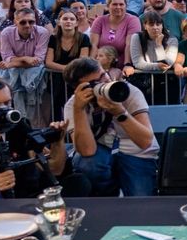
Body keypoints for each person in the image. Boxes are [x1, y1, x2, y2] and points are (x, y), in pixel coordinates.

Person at [63, 56, 160, 197]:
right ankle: (109, 193)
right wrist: (79, 110)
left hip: (137, 152)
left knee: (140, 204)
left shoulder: (128, 91)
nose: (105, 82)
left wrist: (120, 112)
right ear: (78, 88)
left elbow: (145, 141)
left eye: (103, 75)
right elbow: (87, 151)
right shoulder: (73, 105)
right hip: (103, 151)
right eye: (94, 83)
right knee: (87, 163)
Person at [0, 77, 71, 199]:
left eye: (7, 103)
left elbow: (54, 169)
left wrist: (58, 140)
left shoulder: (18, 127)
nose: (4, 110)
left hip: (24, 203)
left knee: (77, 182)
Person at [0, 9, 50, 125]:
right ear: (15, 22)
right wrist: (25, 58)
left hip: (35, 80)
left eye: (31, 22)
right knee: (12, 114)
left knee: (36, 117)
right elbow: (7, 57)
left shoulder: (42, 32)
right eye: (23, 22)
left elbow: (38, 60)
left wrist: (11, 63)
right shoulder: (6, 33)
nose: (27, 25)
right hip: (12, 80)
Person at [125, 10, 180, 105]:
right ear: (145, 26)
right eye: (151, 24)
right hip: (144, 82)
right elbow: (138, 63)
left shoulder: (172, 40)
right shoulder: (137, 37)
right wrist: (157, 66)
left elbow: (167, 64)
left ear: (162, 25)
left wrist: (159, 45)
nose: (155, 27)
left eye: (158, 24)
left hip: (166, 83)